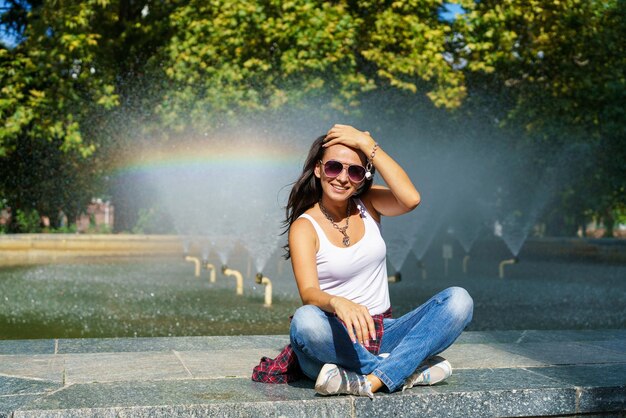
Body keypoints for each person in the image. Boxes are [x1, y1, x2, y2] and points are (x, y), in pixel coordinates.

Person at [253, 124, 473, 398]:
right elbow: (309, 293)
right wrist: (337, 302)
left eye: (354, 171)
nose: (343, 178)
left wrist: (368, 145)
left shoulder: (367, 203)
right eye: (334, 167)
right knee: (305, 321)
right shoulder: (305, 226)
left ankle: (368, 380)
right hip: (335, 341)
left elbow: (411, 199)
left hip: (383, 333)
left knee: (459, 300)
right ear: (319, 169)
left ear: (363, 177)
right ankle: (403, 371)